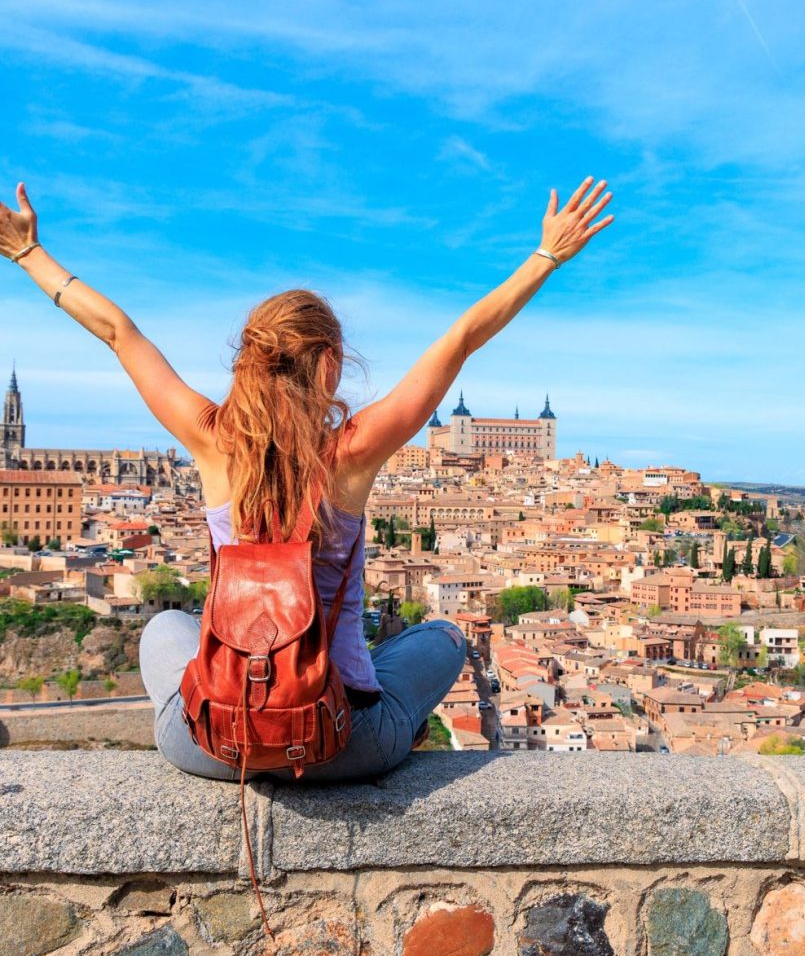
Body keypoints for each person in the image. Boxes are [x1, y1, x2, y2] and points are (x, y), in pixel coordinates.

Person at [0, 176, 614, 781]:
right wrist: (546, 256)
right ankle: (377, 710)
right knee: (447, 637)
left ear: (249, 360)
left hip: (214, 745)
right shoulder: (353, 451)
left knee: (165, 626)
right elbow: (460, 340)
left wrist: (28, 253)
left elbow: (118, 332)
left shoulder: (212, 441)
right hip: (343, 744)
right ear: (331, 361)